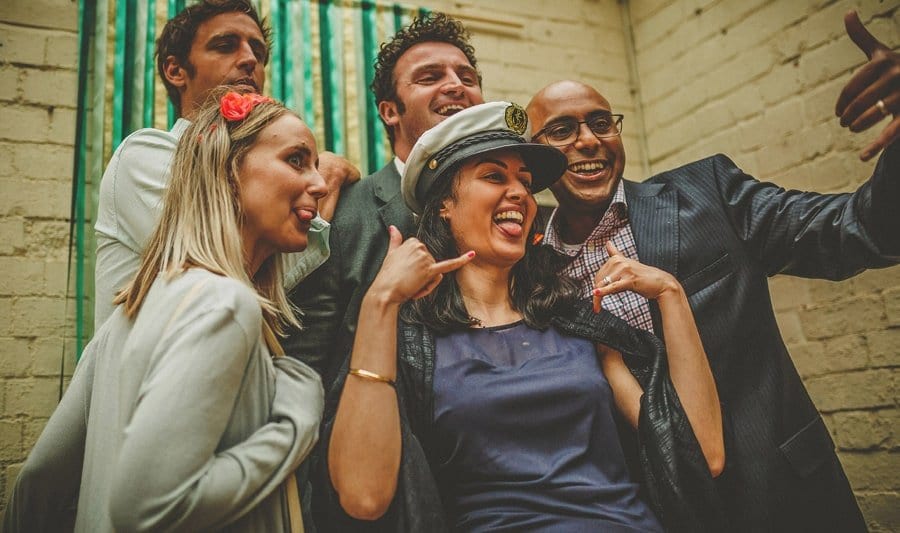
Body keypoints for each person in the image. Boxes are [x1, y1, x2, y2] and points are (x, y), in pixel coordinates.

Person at [525, 11, 899, 532]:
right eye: (562, 130)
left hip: (785, 495)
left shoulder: (707, 193)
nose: (588, 140)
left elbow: (859, 231)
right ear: (534, 157)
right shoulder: (530, 267)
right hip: (653, 515)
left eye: (601, 123)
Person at [319, 102, 727, 532]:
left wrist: (671, 294)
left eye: (525, 183)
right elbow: (364, 496)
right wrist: (380, 300)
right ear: (444, 205)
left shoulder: (579, 323)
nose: (518, 193)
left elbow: (701, 455)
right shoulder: (408, 339)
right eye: (495, 176)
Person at [4, 90, 326, 532]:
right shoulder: (225, 304)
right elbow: (150, 505)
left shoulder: (130, 311)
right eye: (296, 160)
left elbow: (36, 486)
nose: (321, 184)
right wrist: (296, 422)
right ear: (230, 172)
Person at [94, 0, 359, 326]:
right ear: (175, 70)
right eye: (224, 46)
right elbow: (235, 264)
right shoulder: (145, 156)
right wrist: (327, 175)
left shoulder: (261, 174)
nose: (250, 60)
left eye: (258, 53)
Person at [285, 12, 484, 386]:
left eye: (467, 77)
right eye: (431, 77)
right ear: (390, 111)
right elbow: (306, 370)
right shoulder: (340, 212)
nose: (456, 86)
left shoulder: (518, 208)